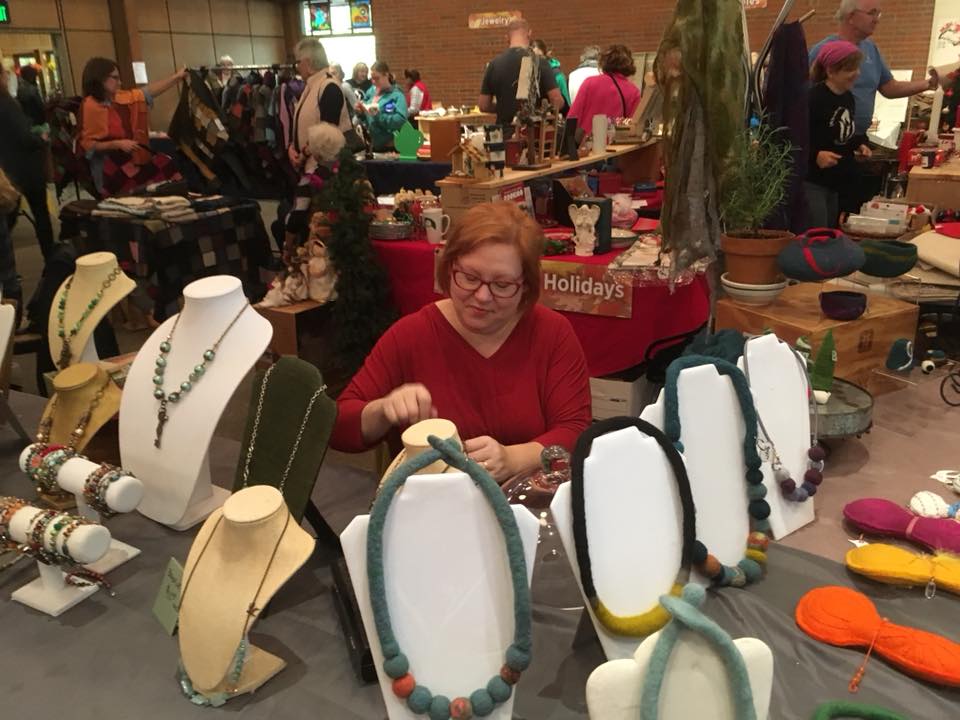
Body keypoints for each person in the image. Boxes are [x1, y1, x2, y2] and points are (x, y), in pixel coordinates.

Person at [330, 202, 592, 483]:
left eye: (502, 285)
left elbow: (575, 432)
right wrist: (382, 409)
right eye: (469, 278)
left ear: (525, 287)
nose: (481, 296)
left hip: (528, 505)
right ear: (449, 266)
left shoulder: (551, 333)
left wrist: (513, 459)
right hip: (433, 508)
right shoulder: (410, 335)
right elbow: (338, 428)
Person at [809, 0, 940, 136]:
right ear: (850, 16)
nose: (876, 20)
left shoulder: (870, 49)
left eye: (878, 14)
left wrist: (928, 83)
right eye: (872, 13)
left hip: (857, 137)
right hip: (826, 140)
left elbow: (889, 88)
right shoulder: (823, 51)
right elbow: (803, 99)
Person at [78, 57, 184, 196]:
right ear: (100, 78)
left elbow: (146, 92)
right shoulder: (89, 106)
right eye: (115, 78)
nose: (120, 82)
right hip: (107, 168)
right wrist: (117, 144)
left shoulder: (120, 98)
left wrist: (177, 77)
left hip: (129, 161)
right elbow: (88, 145)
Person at [805, 41, 870, 230]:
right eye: (850, 69)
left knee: (832, 232)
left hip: (836, 182)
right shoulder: (814, 98)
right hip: (814, 181)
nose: (856, 73)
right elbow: (795, 138)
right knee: (818, 233)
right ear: (831, 71)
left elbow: (844, 134)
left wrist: (860, 144)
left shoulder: (848, 98)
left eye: (857, 68)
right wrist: (816, 155)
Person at [0, 59, 54, 262]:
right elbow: (25, 136)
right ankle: (51, 259)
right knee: (41, 216)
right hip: (25, 169)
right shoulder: (7, 102)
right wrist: (41, 138)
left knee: (8, 221)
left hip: (7, 170)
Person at [479, 18, 562, 130]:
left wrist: (504, 107)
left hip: (505, 135)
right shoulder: (539, 62)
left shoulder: (493, 65)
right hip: (534, 135)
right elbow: (556, 100)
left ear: (507, 38)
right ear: (529, 34)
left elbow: (484, 105)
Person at [288, 39, 353, 174]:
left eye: (298, 62)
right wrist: (292, 147)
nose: (297, 67)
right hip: (309, 167)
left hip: (324, 171)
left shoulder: (329, 87)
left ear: (308, 63)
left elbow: (327, 133)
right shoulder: (311, 86)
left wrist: (302, 155)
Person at [567, 44, 641, 139]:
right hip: (617, 147)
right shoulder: (634, 92)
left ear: (604, 62)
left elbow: (572, 118)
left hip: (588, 145)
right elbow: (633, 126)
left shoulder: (590, 82)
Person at [356, 61, 407, 152]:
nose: (374, 82)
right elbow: (366, 116)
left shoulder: (397, 95)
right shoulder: (371, 92)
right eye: (372, 78)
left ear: (386, 75)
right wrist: (360, 112)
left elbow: (400, 120)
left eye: (377, 78)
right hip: (371, 144)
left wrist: (379, 116)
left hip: (389, 146)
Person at [532, 39, 570, 112]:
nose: (537, 61)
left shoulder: (557, 75)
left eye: (539, 57)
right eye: (534, 57)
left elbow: (566, 105)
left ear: (545, 55)